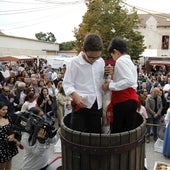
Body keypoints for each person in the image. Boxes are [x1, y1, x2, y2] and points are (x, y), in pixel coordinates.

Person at [63, 33, 105, 133]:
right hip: (80, 104)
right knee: (79, 136)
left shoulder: (101, 62)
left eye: (97, 57)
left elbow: (101, 81)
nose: (94, 60)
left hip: (97, 105)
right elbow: (67, 84)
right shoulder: (74, 62)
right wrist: (75, 96)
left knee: (95, 136)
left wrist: (108, 74)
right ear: (83, 50)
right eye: (91, 57)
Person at [102, 38, 139, 133]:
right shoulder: (128, 61)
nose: (112, 57)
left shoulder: (120, 61)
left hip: (123, 100)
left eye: (112, 54)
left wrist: (110, 85)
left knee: (118, 132)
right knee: (128, 132)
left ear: (116, 51)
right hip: (130, 99)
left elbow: (129, 80)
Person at [0, 102, 20, 170]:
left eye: (6, 109)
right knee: (2, 165)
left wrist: (14, 135)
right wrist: (8, 138)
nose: (6, 111)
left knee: (9, 161)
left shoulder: (7, 117)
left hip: (10, 146)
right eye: (3, 109)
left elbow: (13, 127)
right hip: (1, 148)